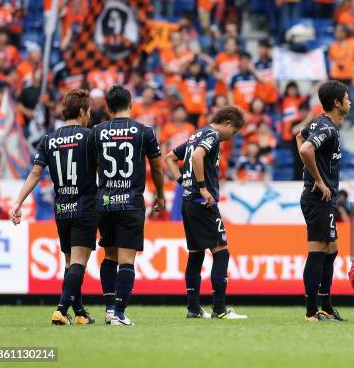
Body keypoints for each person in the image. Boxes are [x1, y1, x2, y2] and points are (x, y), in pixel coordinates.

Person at [10, 89, 97, 325]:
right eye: (88, 111)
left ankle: (79, 313)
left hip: (62, 209)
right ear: (81, 111)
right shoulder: (90, 136)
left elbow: (35, 173)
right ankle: (60, 310)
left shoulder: (49, 139)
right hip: (84, 206)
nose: (89, 115)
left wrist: (18, 202)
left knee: (70, 264)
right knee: (79, 262)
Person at [92, 85, 165, 326]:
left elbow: (91, 167)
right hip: (131, 203)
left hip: (105, 202)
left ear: (108, 107)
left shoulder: (97, 131)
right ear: (131, 105)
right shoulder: (145, 131)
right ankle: (120, 314)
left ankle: (110, 309)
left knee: (109, 255)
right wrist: (160, 195)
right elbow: (156, 167)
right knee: (127, 260)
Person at [165, 106, 247, 319]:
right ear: (228, 122)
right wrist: (201, 187)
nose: (232, 137)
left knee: (196, 254)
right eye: (235, 131)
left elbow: (169, 158)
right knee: (222, 252)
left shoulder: (197, 134)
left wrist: (184, 182)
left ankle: (193, 308)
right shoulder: (212, 135)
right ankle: (219, 309)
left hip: (188, 202)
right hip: (203, 203)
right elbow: (198, 156)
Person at [297, 80, 351, 322]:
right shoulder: (327, 128)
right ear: (337, 103)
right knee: (318, 251)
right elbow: (306, 149)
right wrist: (317, 179)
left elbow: (299, 136)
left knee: (331, 250)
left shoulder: (320, 123)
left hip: (323, 199)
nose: (350, 102)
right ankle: (311, 312)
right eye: (347, 98)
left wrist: (311, 172)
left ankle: (326, 307)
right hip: (317, 198)